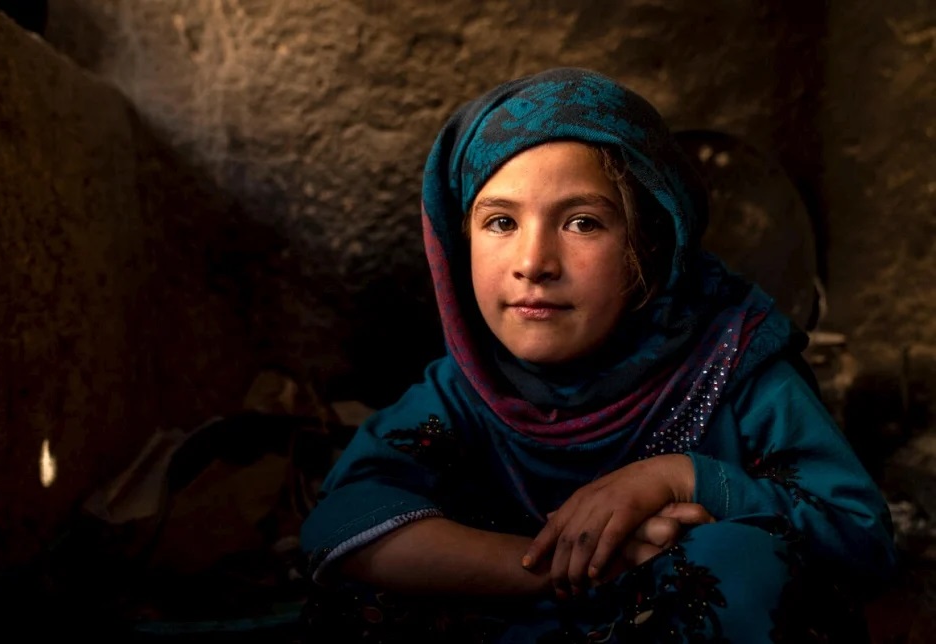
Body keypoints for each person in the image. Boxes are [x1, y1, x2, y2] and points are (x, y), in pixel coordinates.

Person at [296, 67, 896, 643]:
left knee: (735, 561)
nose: (533, 263)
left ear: (652, 245)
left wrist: (680, 477)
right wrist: (559, 569)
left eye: (583, 223)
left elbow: (861, 536)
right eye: (500, 221)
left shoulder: (736, 366)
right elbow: (341, 522)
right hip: (532, 612)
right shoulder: (467, 391)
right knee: (361, 591)